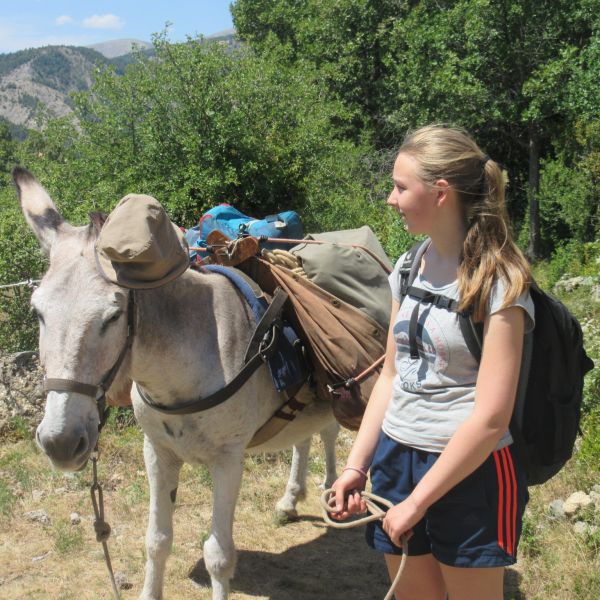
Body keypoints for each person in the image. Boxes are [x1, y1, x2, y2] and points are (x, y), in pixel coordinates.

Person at [331, 125, 535, 600]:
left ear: (440, 193)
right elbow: (390, 374)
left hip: (471, 473)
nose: (390, 198)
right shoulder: (409, 264)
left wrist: (418, 503)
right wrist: (356, 468)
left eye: (401, 187)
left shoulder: (498, 284)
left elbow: (490, 418)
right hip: (397, 459)